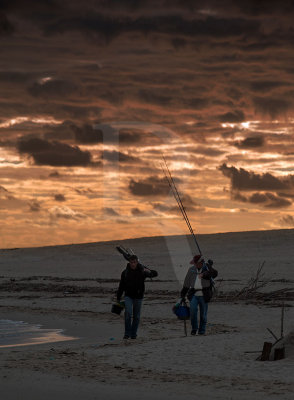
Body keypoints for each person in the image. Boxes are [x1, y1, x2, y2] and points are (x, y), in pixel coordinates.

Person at [116, 254, 158, 339]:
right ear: (129, 262)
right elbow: (121, 286)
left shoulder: (142, 271)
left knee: (137, 316)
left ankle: (133, 334)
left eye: (134, 262)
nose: (133, 264)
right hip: (128, 296)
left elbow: (155, 274)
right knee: (128, 313)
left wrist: (149, 271)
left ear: (137, 262)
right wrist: (118, 297)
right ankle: (127, 333)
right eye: (131, 262)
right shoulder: (125, 273)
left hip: (138, 297)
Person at [180, 255, 218, 336]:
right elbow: (187, 283)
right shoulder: (191, 270)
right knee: (193, 312)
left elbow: (214, 274)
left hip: (205, 295)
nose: (195, 265)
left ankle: (202, 331)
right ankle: (194, 329)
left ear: (201, 263)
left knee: (203, 315)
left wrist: (206, 271)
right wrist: (182, 295)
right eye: (194, 263)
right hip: (194, 294)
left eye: (196, 263)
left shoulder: (207, 268)